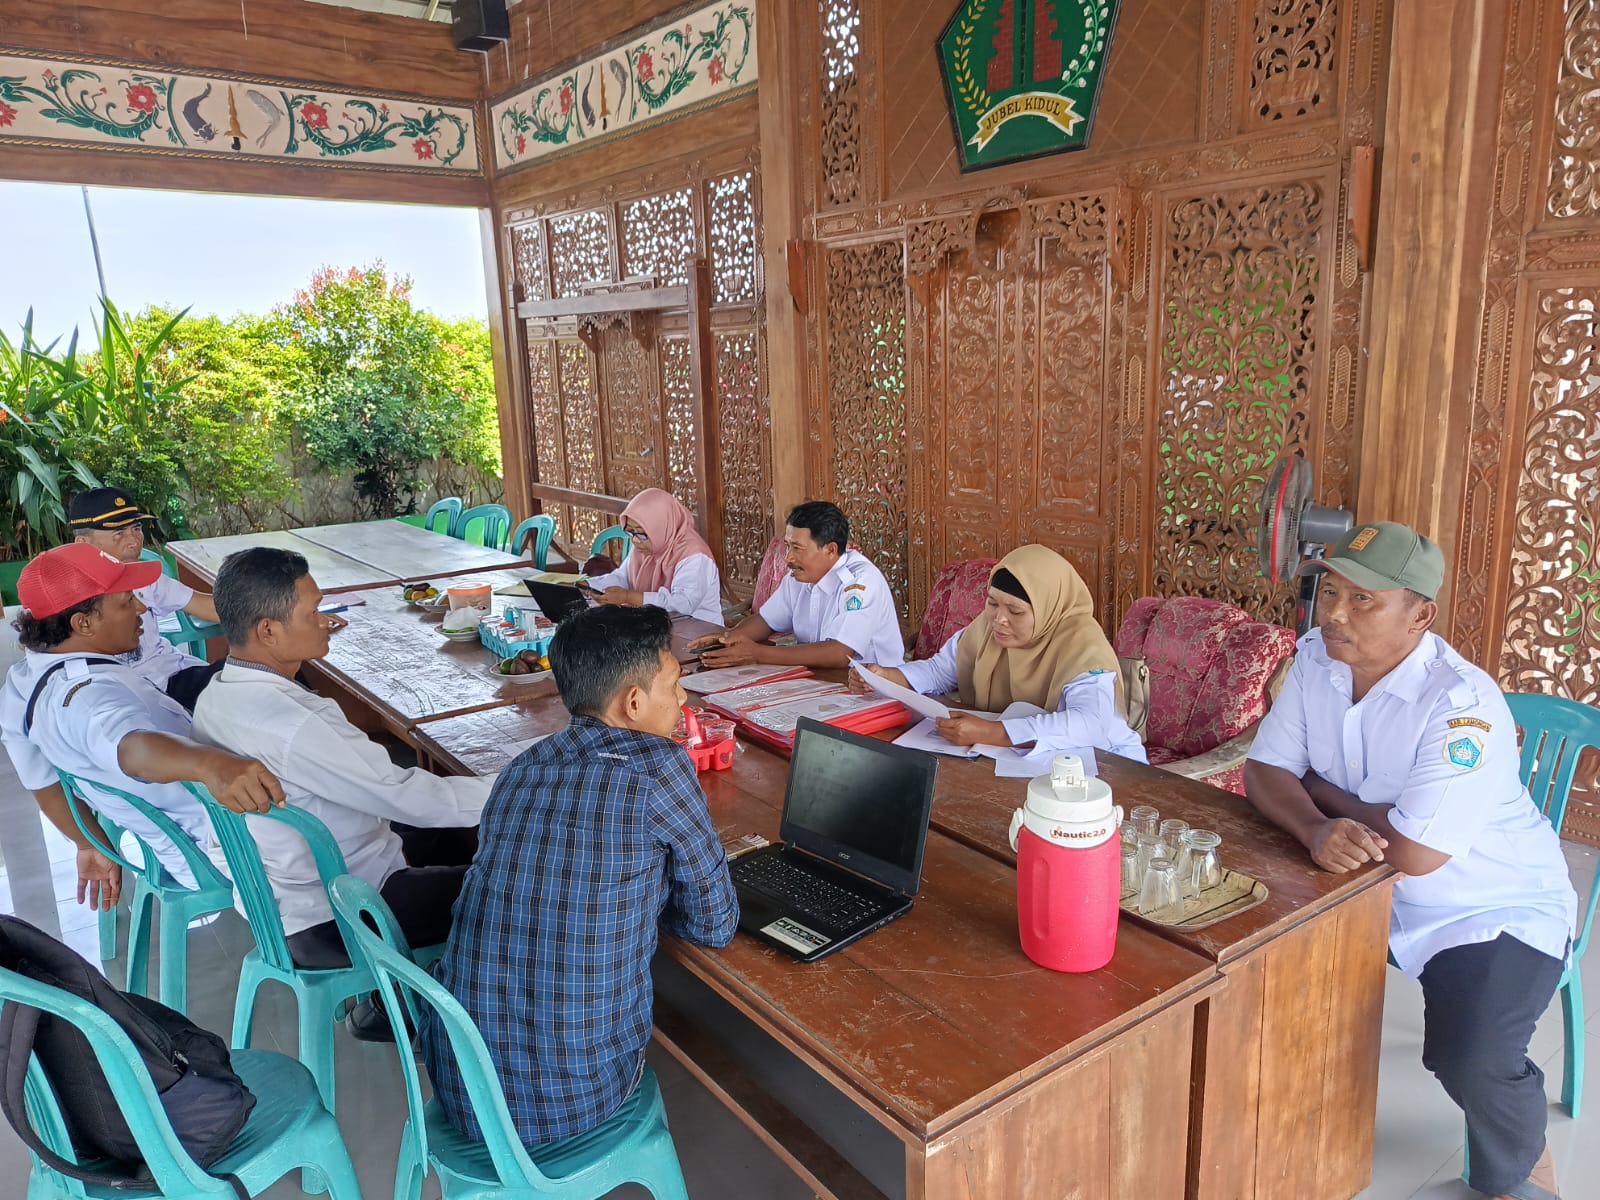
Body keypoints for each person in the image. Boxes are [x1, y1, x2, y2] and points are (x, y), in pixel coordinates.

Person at [1243, 521, 1575, 1200]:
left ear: (1420, 615)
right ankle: (1272, 1139)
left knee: (1471, 1056)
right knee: (1248, 964)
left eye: (1363, 600)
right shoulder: (1316, 661)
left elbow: (1416, 853)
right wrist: (1314, 825)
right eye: (1331, 592)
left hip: (1485, 904)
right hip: (1358, 884)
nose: (1335, 614)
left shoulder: (1462, 706)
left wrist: (1323, 792)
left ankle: (1523, 1168)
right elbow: (1265, 770)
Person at [425, 604, 737, 1146]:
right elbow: (714, 925)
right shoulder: (660, 769)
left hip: (460, 1083)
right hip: (571, 1102)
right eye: (674, 684)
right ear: (633, 702)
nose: (683, 698)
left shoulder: (523, 767)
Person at [192, 547, 490, 1038]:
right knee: (516, 883)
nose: (326, 621)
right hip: (342, 912)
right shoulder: (295, 722)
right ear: (268, 631)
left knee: (458, 836)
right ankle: (424, 1010)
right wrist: (521, 783)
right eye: (313, 613)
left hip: (282, 902)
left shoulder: (217, 694)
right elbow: (409, 797)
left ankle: (403, 991)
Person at [0, 544, 284, 907]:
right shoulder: (87, 696)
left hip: (190, 841)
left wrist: (87, 842)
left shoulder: (21, 685)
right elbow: (131, 747)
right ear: (83, 623)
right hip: (230, 842)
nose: (141, 608)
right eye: (126, 602)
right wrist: (212, 764)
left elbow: (42, 783)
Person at [854, 545, 1145, 760]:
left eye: (1015, 611)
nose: (999, 619)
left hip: (1104, 769)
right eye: (992, 604)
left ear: (1048, 610)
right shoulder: (986, 629)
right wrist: (888, 677)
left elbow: (1089, 724)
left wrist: (995, 733)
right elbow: (938, 670)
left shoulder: (1082, 646)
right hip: (1017, 763)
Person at [689, 500, 902, 669]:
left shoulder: (861, 582)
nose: (788, 558)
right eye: (788, 546)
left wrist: (757, 654)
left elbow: (839, 653)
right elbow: (766, 621)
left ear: (830, 550)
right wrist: (728, 640)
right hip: (820, 680)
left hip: (873, 688)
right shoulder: (799, 576)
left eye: (798, 548)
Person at [67, 487, 222, 710]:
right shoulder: (63, 595)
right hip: (141, 695)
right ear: (83, 544)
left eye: (136, 528)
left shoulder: (145, 576)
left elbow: (208, 606)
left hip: (174, 673)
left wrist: (267, 611)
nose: (134, 541)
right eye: (119, 533)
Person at [585, 488, 725, 625]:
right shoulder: (646, 546)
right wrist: (589, 586)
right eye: (630, 532)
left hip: (697, 633)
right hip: (655, 628)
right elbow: (623, 578)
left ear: (660, 527)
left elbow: (682, 605)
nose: (635, 540)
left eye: (641, 533)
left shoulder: (695, 556)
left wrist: (629, 597)